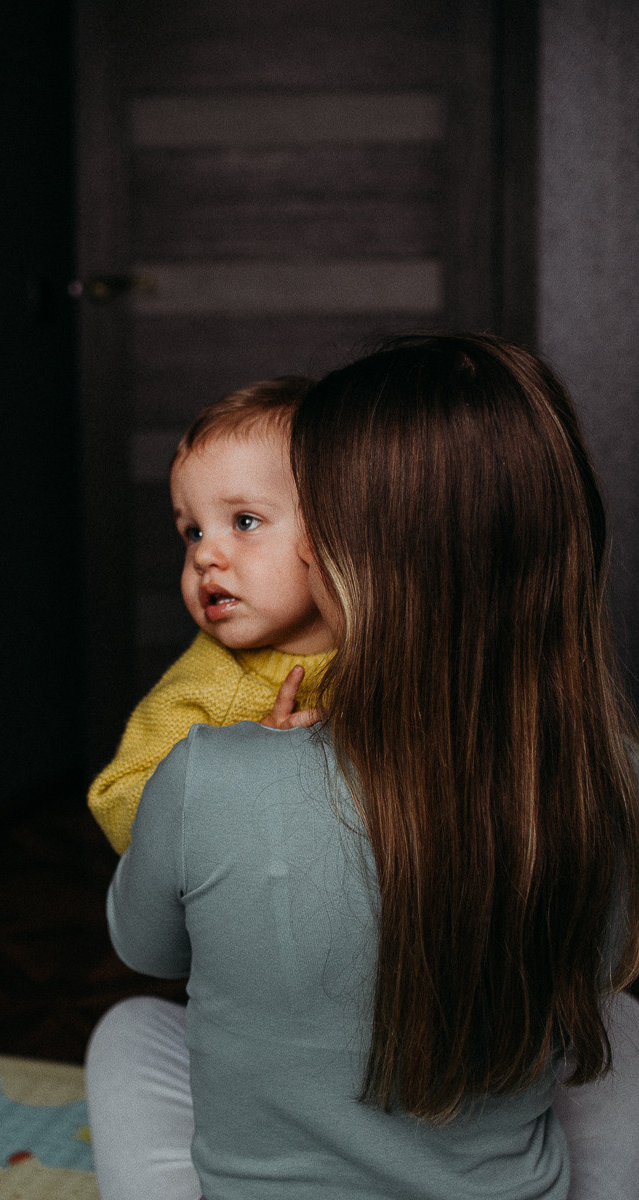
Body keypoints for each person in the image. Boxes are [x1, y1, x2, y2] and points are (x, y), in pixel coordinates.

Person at [86, 334, 639, 1200]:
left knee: (129, 1028)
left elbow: (146, 945)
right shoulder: (609, 778)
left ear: (349, 553)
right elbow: (600, 966)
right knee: (618, 1023)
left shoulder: (208, 772)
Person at [88, 377, 334, 855]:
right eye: (193, 532)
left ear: (331, 530)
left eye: (245, 521)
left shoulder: (387, 643)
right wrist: (241, 771)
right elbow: (116, 802)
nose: (204, 556)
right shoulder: (205, 689)